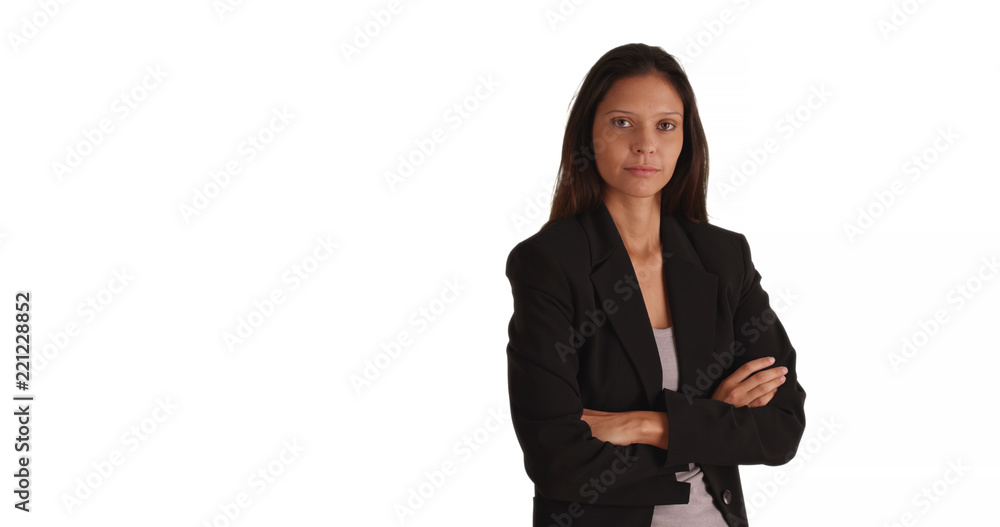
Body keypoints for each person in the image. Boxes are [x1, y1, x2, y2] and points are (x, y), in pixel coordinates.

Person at [504, 43, 806, 527]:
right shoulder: (549, 263)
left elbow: (781, 429)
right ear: (590, 134)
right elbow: (556, 458)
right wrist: (708, 424)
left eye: (666, 125)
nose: (646, 143)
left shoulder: (724, 258)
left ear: (686, 138)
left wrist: (645, 425)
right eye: (622, 122)